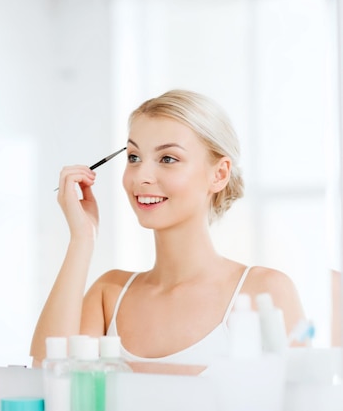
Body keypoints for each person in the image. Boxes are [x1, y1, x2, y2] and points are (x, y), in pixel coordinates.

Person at [30, 89, 305, 370]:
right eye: (134, 157)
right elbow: (46, 375)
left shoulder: (264, 291)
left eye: (168, 159)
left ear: (219, 174)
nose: (141, 177)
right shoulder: (109, 294)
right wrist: (82, 239)